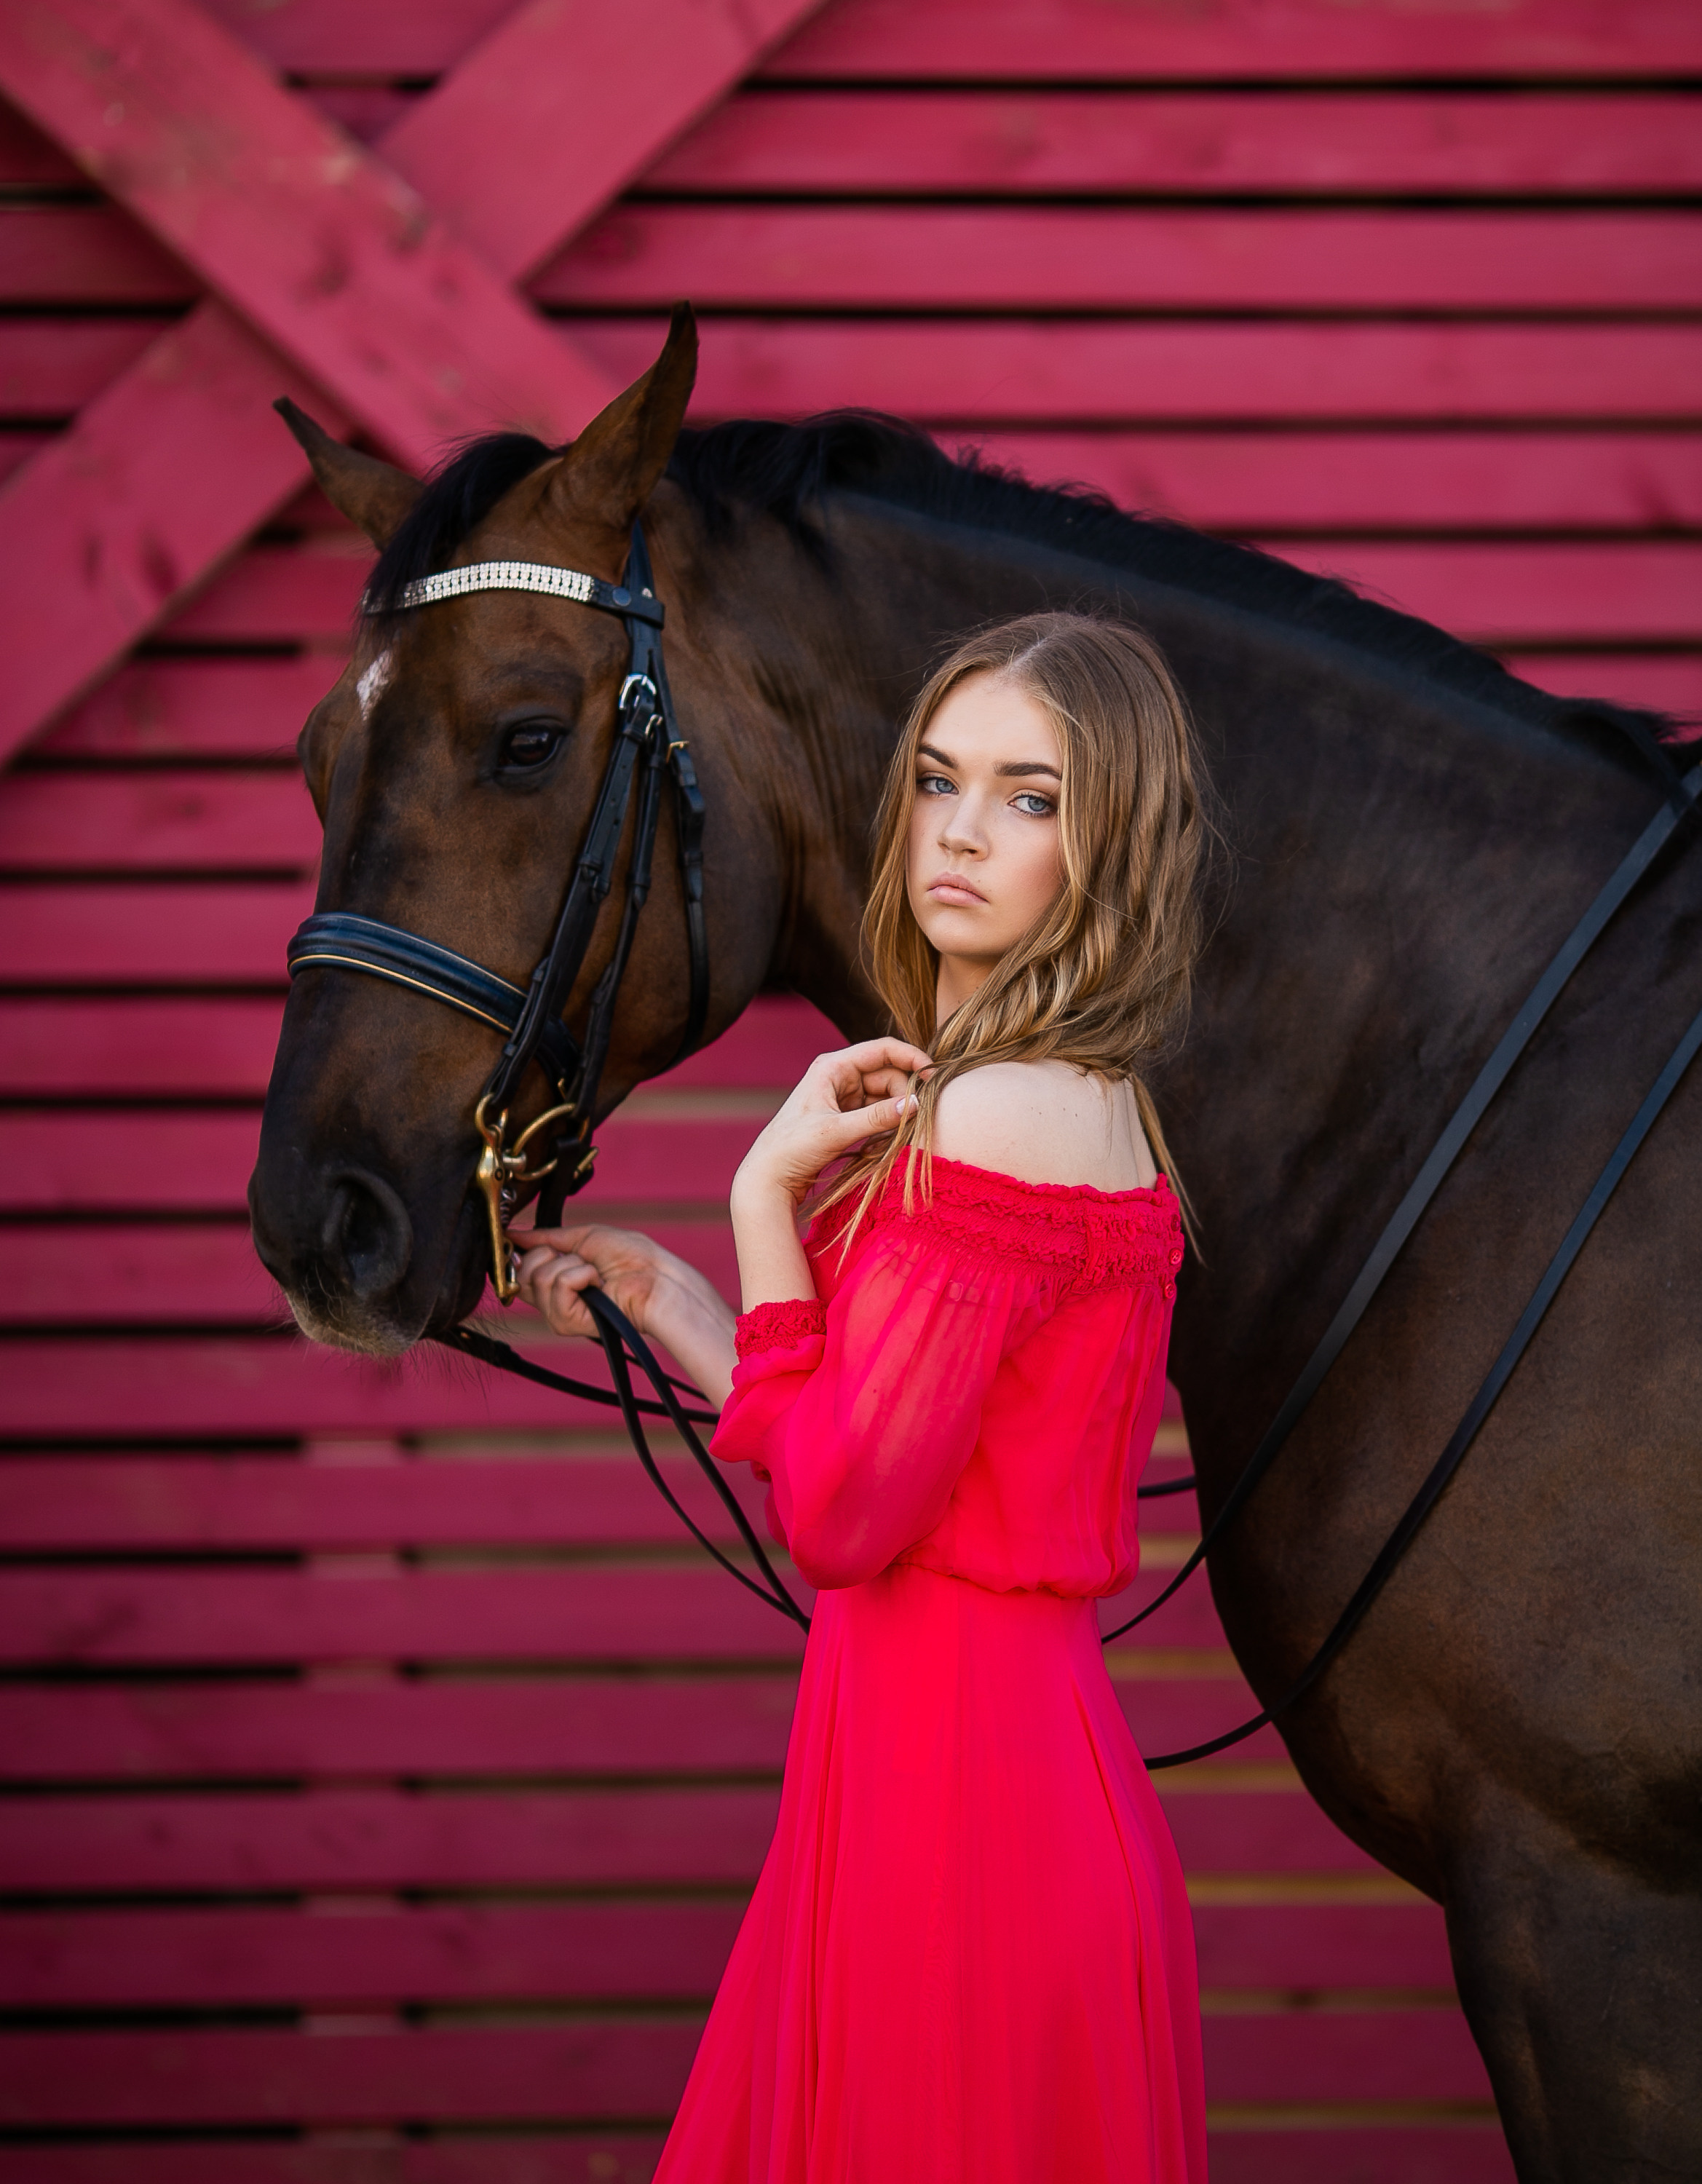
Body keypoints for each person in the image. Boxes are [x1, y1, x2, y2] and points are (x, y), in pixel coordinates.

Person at [515, 612, 1211, 2183]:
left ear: (1111, 844)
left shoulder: (1003, 1112)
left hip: (960, 1825)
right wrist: (669, 1299)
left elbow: (839, 1515)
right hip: (947, 1787)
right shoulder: (1077, 1097)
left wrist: (763, 1193)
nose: (962, 833)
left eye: (1030, 798)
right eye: (939, 782)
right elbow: (901, 1450)